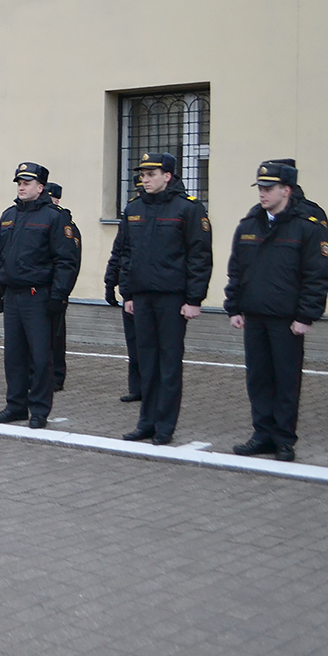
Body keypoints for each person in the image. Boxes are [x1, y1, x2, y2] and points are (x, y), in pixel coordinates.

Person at [224, 160, 328, 461]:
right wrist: (233, 306)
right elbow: (237, 270)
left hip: (287, 319)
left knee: (286, 380)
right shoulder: (249, 224)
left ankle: (284, 439)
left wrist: (306, 315)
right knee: (258, 378)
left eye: (269, 188)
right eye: (260, 188)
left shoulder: (307, 226)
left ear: (286, 190)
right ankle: (262, 434)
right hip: (255, 315)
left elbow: (318, 274)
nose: (262, 193)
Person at [117, 153, 213, 445]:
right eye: (143, 175)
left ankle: (164, 426)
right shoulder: (134, 209)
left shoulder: (188, 209)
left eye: (151, 174)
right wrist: (128, 293)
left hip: (172, 298)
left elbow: (200, 256)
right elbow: (125, 253)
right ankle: (146, 421)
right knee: (146, 361)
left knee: (168, 363)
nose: (145, 179)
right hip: (142, 296)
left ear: (168, 176)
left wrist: (194, 298)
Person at [0, 163, 78, 429]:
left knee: (40, 357)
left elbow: (66, 260)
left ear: (41, 187)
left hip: (38, 295)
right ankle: (16, 405)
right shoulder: (9, 215)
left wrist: (58, 295)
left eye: (27, 183)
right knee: (13, 356)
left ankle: (39, 409)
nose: (21, 187)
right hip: (14, 295)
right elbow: (1, 257)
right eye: (19, 182)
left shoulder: (54, 216)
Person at [105, 177, 144, 403]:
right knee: (134, 343)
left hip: (148, 289)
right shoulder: (132, 211)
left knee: (149, 345)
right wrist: (110, 282)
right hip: (129, 288)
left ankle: (150, 389)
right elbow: (119, 250)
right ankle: (136, 387)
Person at [43, 183, 83, 392]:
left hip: (56, 289)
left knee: (56, 336)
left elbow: (71, 261)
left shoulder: (66, 226)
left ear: (56, 200)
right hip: (37, 289)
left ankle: (57, 376)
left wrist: (63, 290)